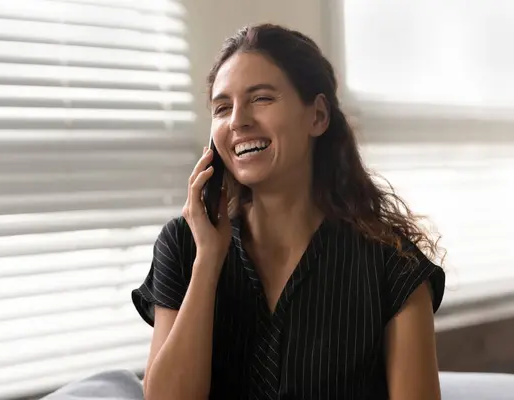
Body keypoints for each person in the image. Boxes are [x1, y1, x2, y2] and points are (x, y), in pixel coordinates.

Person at [131, 23, 446, 400]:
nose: (238, 121)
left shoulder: (393, 265)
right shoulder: (184, 245)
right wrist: (208, 262)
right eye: (222, 107)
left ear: (317, 117)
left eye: (261, 98)